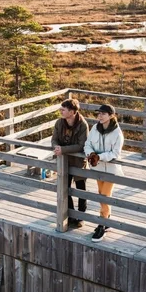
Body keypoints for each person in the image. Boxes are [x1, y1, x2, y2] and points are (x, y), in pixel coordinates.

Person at [84, 104, 124, 242]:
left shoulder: (117, 133)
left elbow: (115, 153)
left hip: (111, 170)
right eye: (99, 113)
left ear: (111, 116)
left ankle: (102, 224)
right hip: (97, 168)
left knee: (104, 196)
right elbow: (87, 144)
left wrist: (100, 157)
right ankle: (107, 220)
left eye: (103, 114)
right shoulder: (95, 128)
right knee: (102, 194)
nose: (99, 116)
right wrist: (91, 154)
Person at [52, 98, 89, 227]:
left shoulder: (82, 125)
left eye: (63, 109)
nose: (60, 111)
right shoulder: (59, 123)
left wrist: (63, 149)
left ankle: (81, 216)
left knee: (81, 189)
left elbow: (81, 145)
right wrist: (56, 147)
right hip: (64, 161)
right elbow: (54, 139)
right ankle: (71, 215)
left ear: (72, 111)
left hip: (78, 161)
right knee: (65, 188)